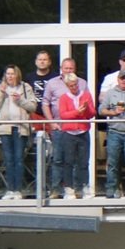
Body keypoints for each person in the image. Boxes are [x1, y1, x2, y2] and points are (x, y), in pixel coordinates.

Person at [41, 57, 90, 198]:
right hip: (59, 126)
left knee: (77, 160)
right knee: (58, 159)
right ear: (61, 69)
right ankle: (56, 190)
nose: (68, 70)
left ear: (75, 69)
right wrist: (51, 122)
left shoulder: (82, 83)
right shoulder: (52, 83)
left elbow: (87, 103)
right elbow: (45, 103)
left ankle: (76, 189)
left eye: (71, 68)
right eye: (66, 68)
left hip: (77, 128)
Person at [0, 64, 38, 200]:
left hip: (21, 128)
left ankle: (18, 190)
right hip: (6, 128)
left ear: (17, 74)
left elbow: (33, 107)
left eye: (12, 73)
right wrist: (1, 92)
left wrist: (20, 100)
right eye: (8, 74)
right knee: (8, 160)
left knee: (18, 159)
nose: (10, 76)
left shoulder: (25, 87)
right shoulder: (0, 87)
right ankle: (10, 190)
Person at [100, 70, 125, 199]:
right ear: (118, 79)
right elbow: (101, 110)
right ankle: (111, 189)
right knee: (113, 163)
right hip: (114, 132)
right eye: (122, 78)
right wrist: (114, 112)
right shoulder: (110, 93)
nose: (124, 81)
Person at [57, 71, 96, 199]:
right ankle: (69, 189)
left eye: (75, 84)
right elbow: (63, 115)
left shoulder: (86, 95)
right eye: (71, 85)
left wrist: (86, 109)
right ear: (67, 86)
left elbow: (92, 113)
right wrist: (77, 112)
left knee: (84, 162)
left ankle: (84, 187)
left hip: (83, 131)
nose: (74, 87)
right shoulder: (64, 98)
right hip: (69, 133)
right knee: (68, 161)